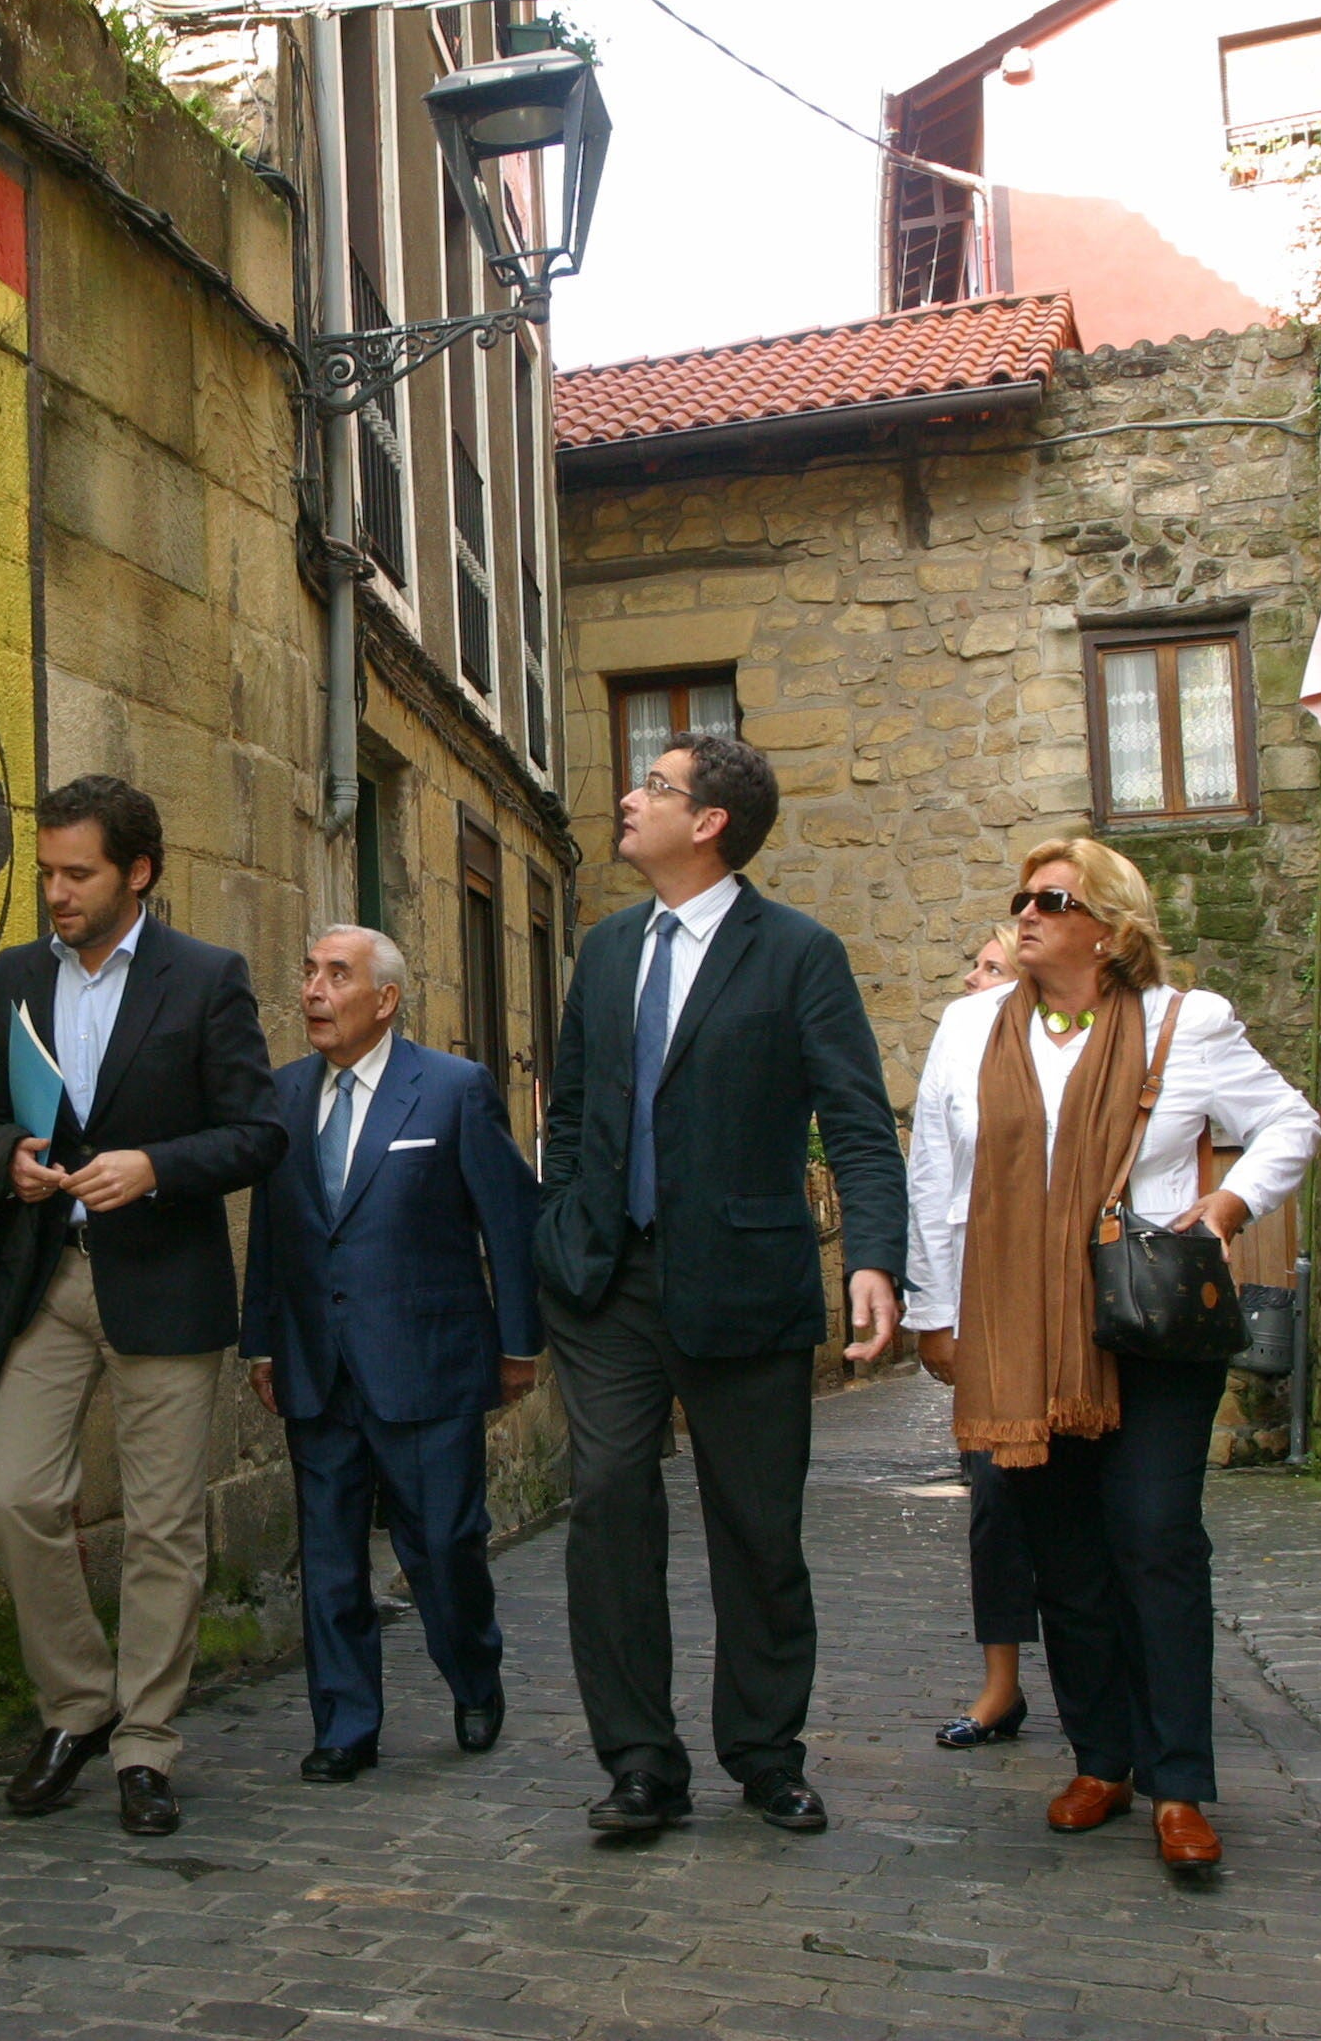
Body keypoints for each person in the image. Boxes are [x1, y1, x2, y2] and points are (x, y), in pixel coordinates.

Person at [906, 838, 1319, 1869]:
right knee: (1063, 1550)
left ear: (1111, 927)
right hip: (1020, 1328)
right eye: (1023, 898)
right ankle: (1102, 1757)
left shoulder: (1189, 1024)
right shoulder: (969, 1030)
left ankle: (1180, 1779)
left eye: (1053, 898)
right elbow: (935, 1174)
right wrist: (932, 1307)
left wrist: (1223, 1204)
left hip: (1150, 1320)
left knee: (1153, 1532)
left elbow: (1288, 1122)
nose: (1027, 913)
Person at [535, 731, 906, 1836]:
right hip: (609, 1281)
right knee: (606, 1505)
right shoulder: (603, 950)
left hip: (743, 1284)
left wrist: (875, 1258)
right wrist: (561, 1219)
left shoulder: (797, 953)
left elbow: (856, 1116)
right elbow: (571, 1107)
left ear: (709, 825)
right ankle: (642, 1760)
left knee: (756, 1527)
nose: (630, 795)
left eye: (655, 784)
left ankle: (763, 1750)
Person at [0, 775, 285, 1837]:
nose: (54, 890)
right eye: (47, 870)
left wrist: (155, 1164)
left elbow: (258, 1131)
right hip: (46, 1278)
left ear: (135, 871)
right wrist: (6, 1155)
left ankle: (145, 1740)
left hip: (165, 1279)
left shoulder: (207, 977)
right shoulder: (14, 976)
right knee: (16, 1494)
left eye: (76, 873)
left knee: (163, 1527)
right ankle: (76, 1702)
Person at [239, 926, 541, 1783]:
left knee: (442, 1547)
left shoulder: (451, 1090)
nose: (314, 992)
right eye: (308, 973)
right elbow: (274, 1229)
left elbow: (507, 1223)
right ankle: (344, 1725)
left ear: (386, 999)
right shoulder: (284, 1095)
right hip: (315, 1366)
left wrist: (518, 1345)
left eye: (337, 975)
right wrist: (261, 1340)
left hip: (429, 1364)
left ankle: (474, 1672)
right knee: (329, 1556)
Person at [938, 921, 1037, 1752]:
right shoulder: (962, 1043)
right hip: (987, 1305)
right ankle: (1001, 1684)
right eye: (975, 966)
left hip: (1076, 1303)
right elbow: (934, 1173)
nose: (974, 979)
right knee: (995, 1504)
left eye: (992, 966)